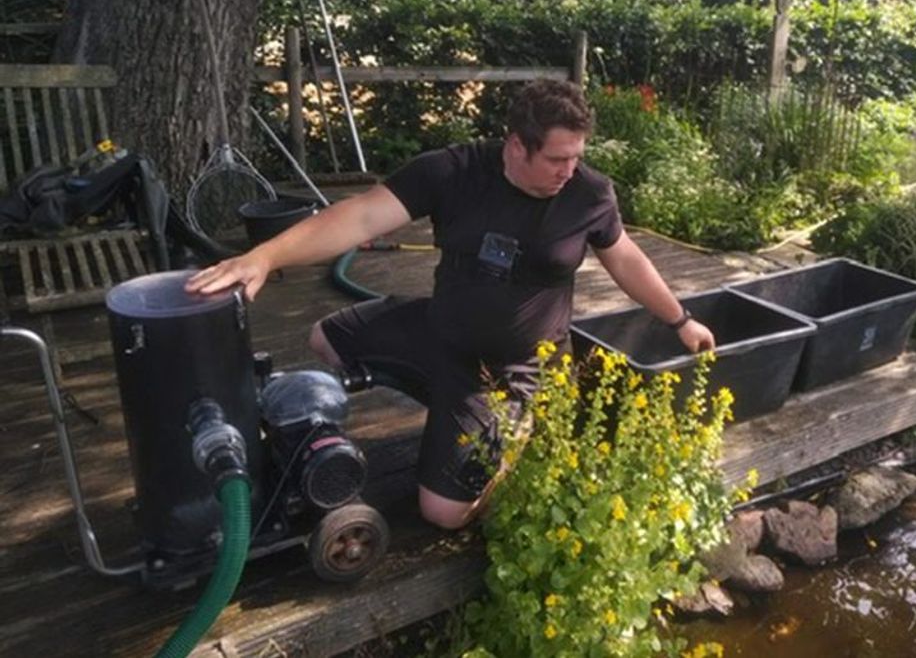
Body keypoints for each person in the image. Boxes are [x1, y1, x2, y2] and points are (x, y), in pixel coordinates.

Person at [186, 79, 715, 530]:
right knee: (324, 337)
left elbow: (624, 258)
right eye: (557, 158)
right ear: (515, 146)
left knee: (443, 513)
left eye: (577, 156)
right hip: (442, 331)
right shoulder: (453, 171)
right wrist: (265, 256)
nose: (569, 170)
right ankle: (451, 406)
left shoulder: (589, 195)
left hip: (514, 366)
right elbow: (361, 217)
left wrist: (680, 319)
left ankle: (511, 432)